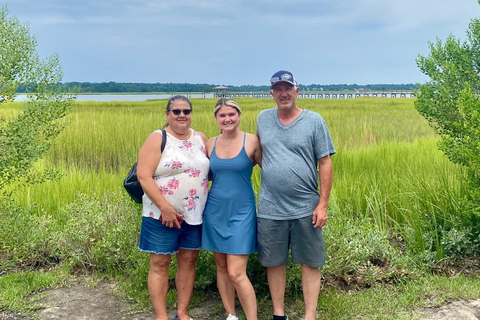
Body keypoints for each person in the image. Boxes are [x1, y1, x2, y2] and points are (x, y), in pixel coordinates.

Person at [256, 71, 336, 320]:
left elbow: (325, 163)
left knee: (310, 262)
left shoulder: (314, 121)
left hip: (306, 206)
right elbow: (259, 153)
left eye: (288, 88)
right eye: (278, 89)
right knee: (274, 262)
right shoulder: (262, 119)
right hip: (270, 207)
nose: (284, 93)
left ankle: (309, 315)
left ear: (297, 90)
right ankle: (279, 314)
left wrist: (322, 204)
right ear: (271, 93)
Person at [137, 95, 210, 320]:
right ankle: (161, 315)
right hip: (160, 215)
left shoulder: (200, 138)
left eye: (186, 111)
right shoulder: (158, 138)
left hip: (193, 215)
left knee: (188, 262)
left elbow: (208, 173)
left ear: (191, 114)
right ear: (167, 114)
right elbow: (143, 175)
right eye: (176, 111)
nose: (181, 115)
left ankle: (182, 312)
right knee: (160, 263)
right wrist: (165, 208)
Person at [201, 98, 262, 320]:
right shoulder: (210, 143)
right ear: (216, 118)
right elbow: (202, 175)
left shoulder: (252, 141)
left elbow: (272, 170)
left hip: (242, 212)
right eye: (222, 115)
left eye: (231, 115)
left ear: (239, 116)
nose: (227, 119)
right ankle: (230, 315)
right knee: (222, 268)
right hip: (215, 211)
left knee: (237, 272)